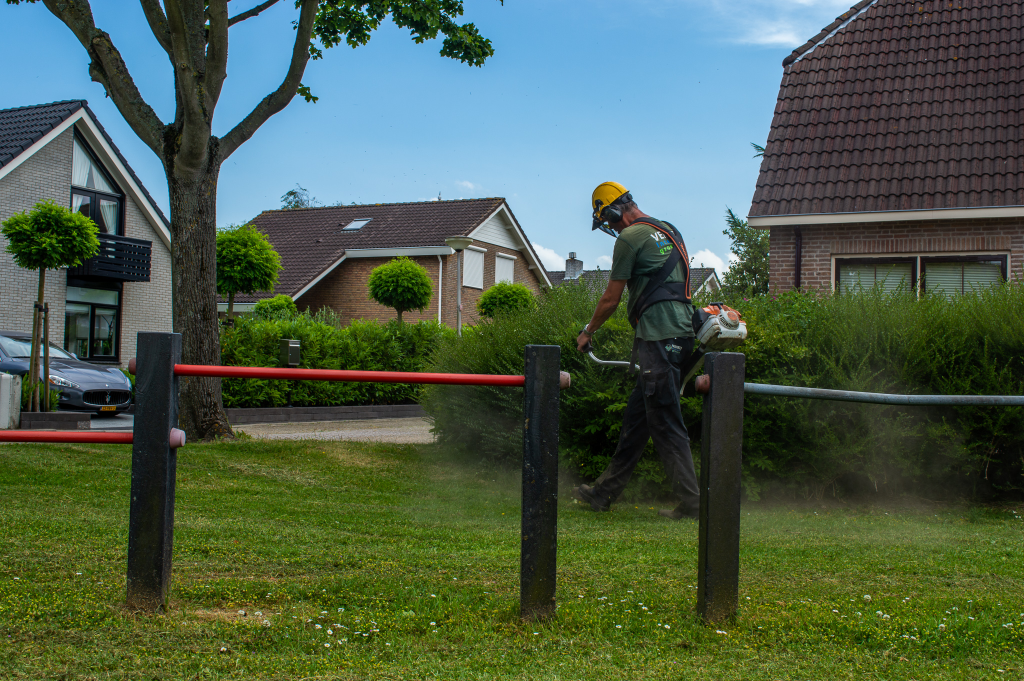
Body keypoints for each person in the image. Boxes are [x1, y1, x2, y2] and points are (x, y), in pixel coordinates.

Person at [573, 182, 700, 520]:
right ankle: (603, 493)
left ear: (614, 212)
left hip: (659, 340)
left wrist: (588, 332)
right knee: (637, 420)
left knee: (667, 425)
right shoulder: (668, 230)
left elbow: (610, 299)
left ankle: (693, 505)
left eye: (609, 222)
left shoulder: (630, 238)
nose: (611, 229)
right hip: (683, 336)